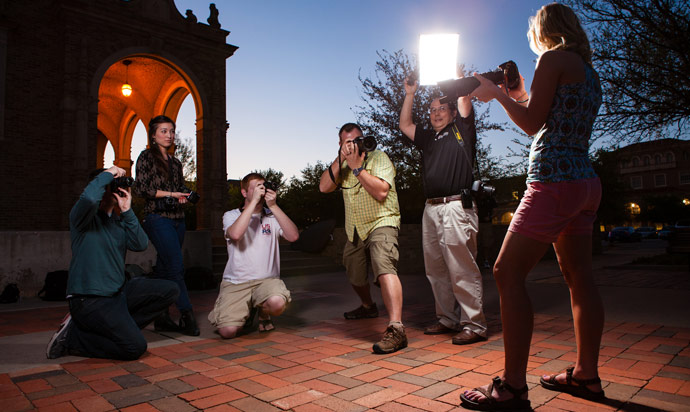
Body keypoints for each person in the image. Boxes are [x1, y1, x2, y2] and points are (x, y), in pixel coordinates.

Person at [460, 3, 605, 410]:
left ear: (543, 29)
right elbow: (543, 113)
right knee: (580, 277)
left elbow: (530, 124)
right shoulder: (586, 71)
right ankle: (586, 376)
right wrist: (512, 93)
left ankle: (511, 387)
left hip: (553, 181)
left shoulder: (552, 58)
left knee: (507, 272)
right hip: (584, 181)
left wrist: (493, 96)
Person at [46, 167, 179, 360]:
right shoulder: (82, 220)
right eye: (110, 185)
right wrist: (110, 171)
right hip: (89, 300)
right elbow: (90, 199)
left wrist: (127, 211)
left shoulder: (118, 222)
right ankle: (74, 338)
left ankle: (118, 328)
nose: (115, 189)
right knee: (134, 347)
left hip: (117, 294)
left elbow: (141, 243)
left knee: (170, 290)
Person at [399, 72, 488, 346]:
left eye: (442, 108)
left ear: (451, 111)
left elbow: (463, 97)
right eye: (432, 109)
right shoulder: (427, 139)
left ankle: (474, 324)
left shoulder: (462, 128)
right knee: (436, 269)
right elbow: (405, 124)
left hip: (456, 207)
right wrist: (410, 94)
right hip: (432, 209)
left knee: (462, 268)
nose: (436, 113)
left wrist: (458, 77)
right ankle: (448, 318)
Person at [319, 123, 406, 354]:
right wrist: (341, 159)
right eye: (348, 142)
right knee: (354, 271)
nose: (354, 145)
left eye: (357, 139)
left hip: (381, 220)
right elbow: (324, 187)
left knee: (384, 265)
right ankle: (368, 306)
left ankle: (396, 328)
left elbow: (381, 192)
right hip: (355, 227)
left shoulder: (378, 157)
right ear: (340, 144)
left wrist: (358, 168)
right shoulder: (341, 164)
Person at [208, 173, 299, 338]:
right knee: (227, 332)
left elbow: (293, 236)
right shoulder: (231, 215)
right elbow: (235, 234)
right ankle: (248, 311)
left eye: (263, 186)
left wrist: (274, 206)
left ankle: (264, 311)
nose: (262, 190)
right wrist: (253, 204)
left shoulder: (272, 215)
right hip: (236, 282)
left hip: (266, 281)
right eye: (257, 187)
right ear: (244, 193)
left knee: (277, 303)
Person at [134, 115, 199, 336]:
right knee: (175, 267)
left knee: (164, 268)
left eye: (171, 131)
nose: (169, 135)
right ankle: (186, 314)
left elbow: (179, 189)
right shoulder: (146, 157)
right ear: (153, 135)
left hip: (178, 219)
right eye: (163, 131)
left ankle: (160, 316)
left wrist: (185, 196)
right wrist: (171, 193)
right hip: (157, 218)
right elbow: (142, 189)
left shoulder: (176, 163)